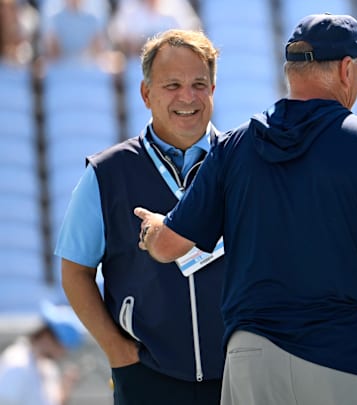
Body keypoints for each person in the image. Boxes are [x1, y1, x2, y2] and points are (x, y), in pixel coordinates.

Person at [134, 13, 357, 405]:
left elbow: (170, 245)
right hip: (345, 355)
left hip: (254, 355)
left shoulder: (233, 147)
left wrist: (152, 230)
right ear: (347, 69)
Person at [54, 29, 225, 404]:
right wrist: (118, 351)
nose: (187, 97)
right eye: (172, 85)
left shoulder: (242, 166)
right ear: (146, 94)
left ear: (213, 89)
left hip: (238, 375)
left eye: (199, 83)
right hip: (147, 377)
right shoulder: (107, 173)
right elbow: (74, 271)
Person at [0, 302, 85, 405]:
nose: (64, 353)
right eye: (63, 347)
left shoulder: (47, 367)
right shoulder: (17, 364)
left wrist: (65, 388)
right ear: (47, 337)